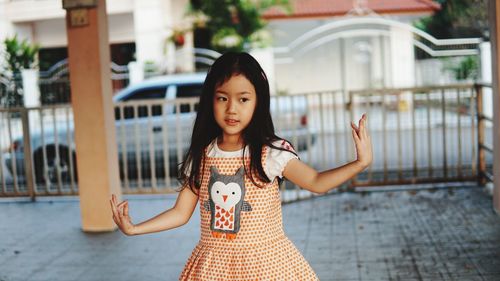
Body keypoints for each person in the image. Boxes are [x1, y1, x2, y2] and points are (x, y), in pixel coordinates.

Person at [110, 52, 372, 280]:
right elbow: (180, 213)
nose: (232, 109)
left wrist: (360, 163)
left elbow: (316, 182)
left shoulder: (270, 153)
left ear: (258, 102)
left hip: (266, 266)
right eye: (222, 98)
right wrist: (135, 229)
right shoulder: (202, 156)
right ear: (210, 101)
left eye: (243, 99)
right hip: (214, 268)